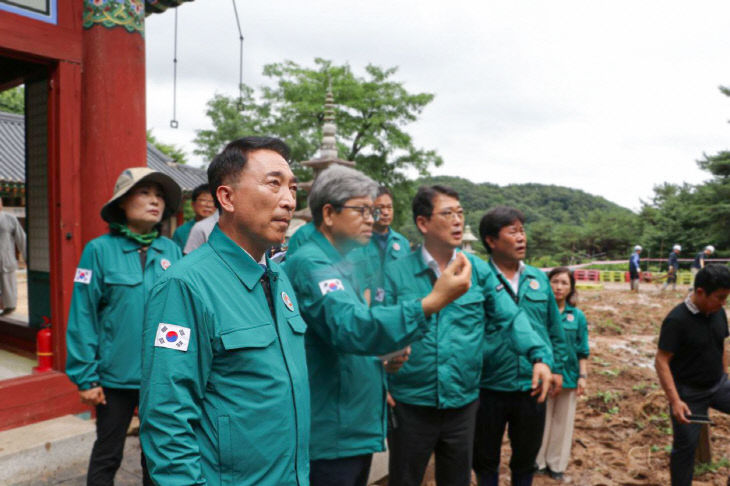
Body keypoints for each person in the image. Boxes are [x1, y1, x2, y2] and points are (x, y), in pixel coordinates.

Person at [284, 165, 473, 486]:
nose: (371, 219)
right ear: (329, 214)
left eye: (373, 211)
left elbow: (346, 335)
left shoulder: (343, 260)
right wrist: (431, 302)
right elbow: (350, 326)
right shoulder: (310, 262)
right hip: (332, 429)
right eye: (361, 210)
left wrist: (382, 358)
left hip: (352, 421)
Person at [139, 137, 309, 486]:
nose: (289, 200)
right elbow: (167, 418)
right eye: (273, 183)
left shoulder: (278, 277)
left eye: (292, 188)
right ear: (227, 197)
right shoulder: (186, 285)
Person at [384, 186, 553, 486]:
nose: (458, 221)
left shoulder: (476, 270)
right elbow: (378, 330)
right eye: (448, 214)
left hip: (462, 405)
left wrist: (538, 355)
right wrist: (378, 377)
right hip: (410, 403)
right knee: (405, 479)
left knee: (457, 480)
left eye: (460, 213)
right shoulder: (396, 273)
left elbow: (510, 317)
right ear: (423, 223)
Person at [65, 167, 182, 486]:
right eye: (144, 193)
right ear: (122, 203)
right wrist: (85, 377)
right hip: (114, 376)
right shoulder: (98, 251)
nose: (154, 201)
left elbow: (182, 316)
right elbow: (83, 315)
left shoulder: (171, 251)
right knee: (107, 453)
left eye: (159, 195)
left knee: (158, 456)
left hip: (161, 375)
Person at [473, 206, 568, 486]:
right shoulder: (478, 278)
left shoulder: (538, 278)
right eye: (513, 231)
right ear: (491, 240)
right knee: (484, 457)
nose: (521, 237)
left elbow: (554, 328)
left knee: (526, 459)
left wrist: (558, 368)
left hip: (532, 385)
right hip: (488, 384)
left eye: (522, 231)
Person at [655, 264, 730, 486]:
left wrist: (725, 376)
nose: (723, 302)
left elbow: (722, 345)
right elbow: (661, 361)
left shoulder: (718, 313)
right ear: (700, 292)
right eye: (720, 297)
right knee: (685, 448)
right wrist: (676, 401)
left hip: (718, 384)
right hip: (688, 393)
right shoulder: (677, 320)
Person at [536, 267, 589, 481]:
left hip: (568, 376)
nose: (558, 287)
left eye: (564, 283)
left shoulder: (577, 316)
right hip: (543, 376)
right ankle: (537, 462)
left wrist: (582, 376)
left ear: (571, 289)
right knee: (541, 420)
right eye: (555, 281)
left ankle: (556, 464)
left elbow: (582, 349)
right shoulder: (539, 314)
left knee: (563, 422)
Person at [356, 186, 410, 305]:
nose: (385, 212)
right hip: (368, 312)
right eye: (380, 208)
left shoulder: (402, 243)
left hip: (396, 312)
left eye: (389, 207)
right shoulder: (358, 242)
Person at [0, 198, 26, 314]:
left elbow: (21, 239)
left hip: (6, 259)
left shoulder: (9, 218)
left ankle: (10, 307)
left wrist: (27, 257)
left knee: (8, 287)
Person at [171, 183, 215, 250]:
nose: (208, 205)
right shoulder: (181, 231)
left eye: (212, 201)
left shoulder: (223, 229)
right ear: (193, 204)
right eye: (203, 200)